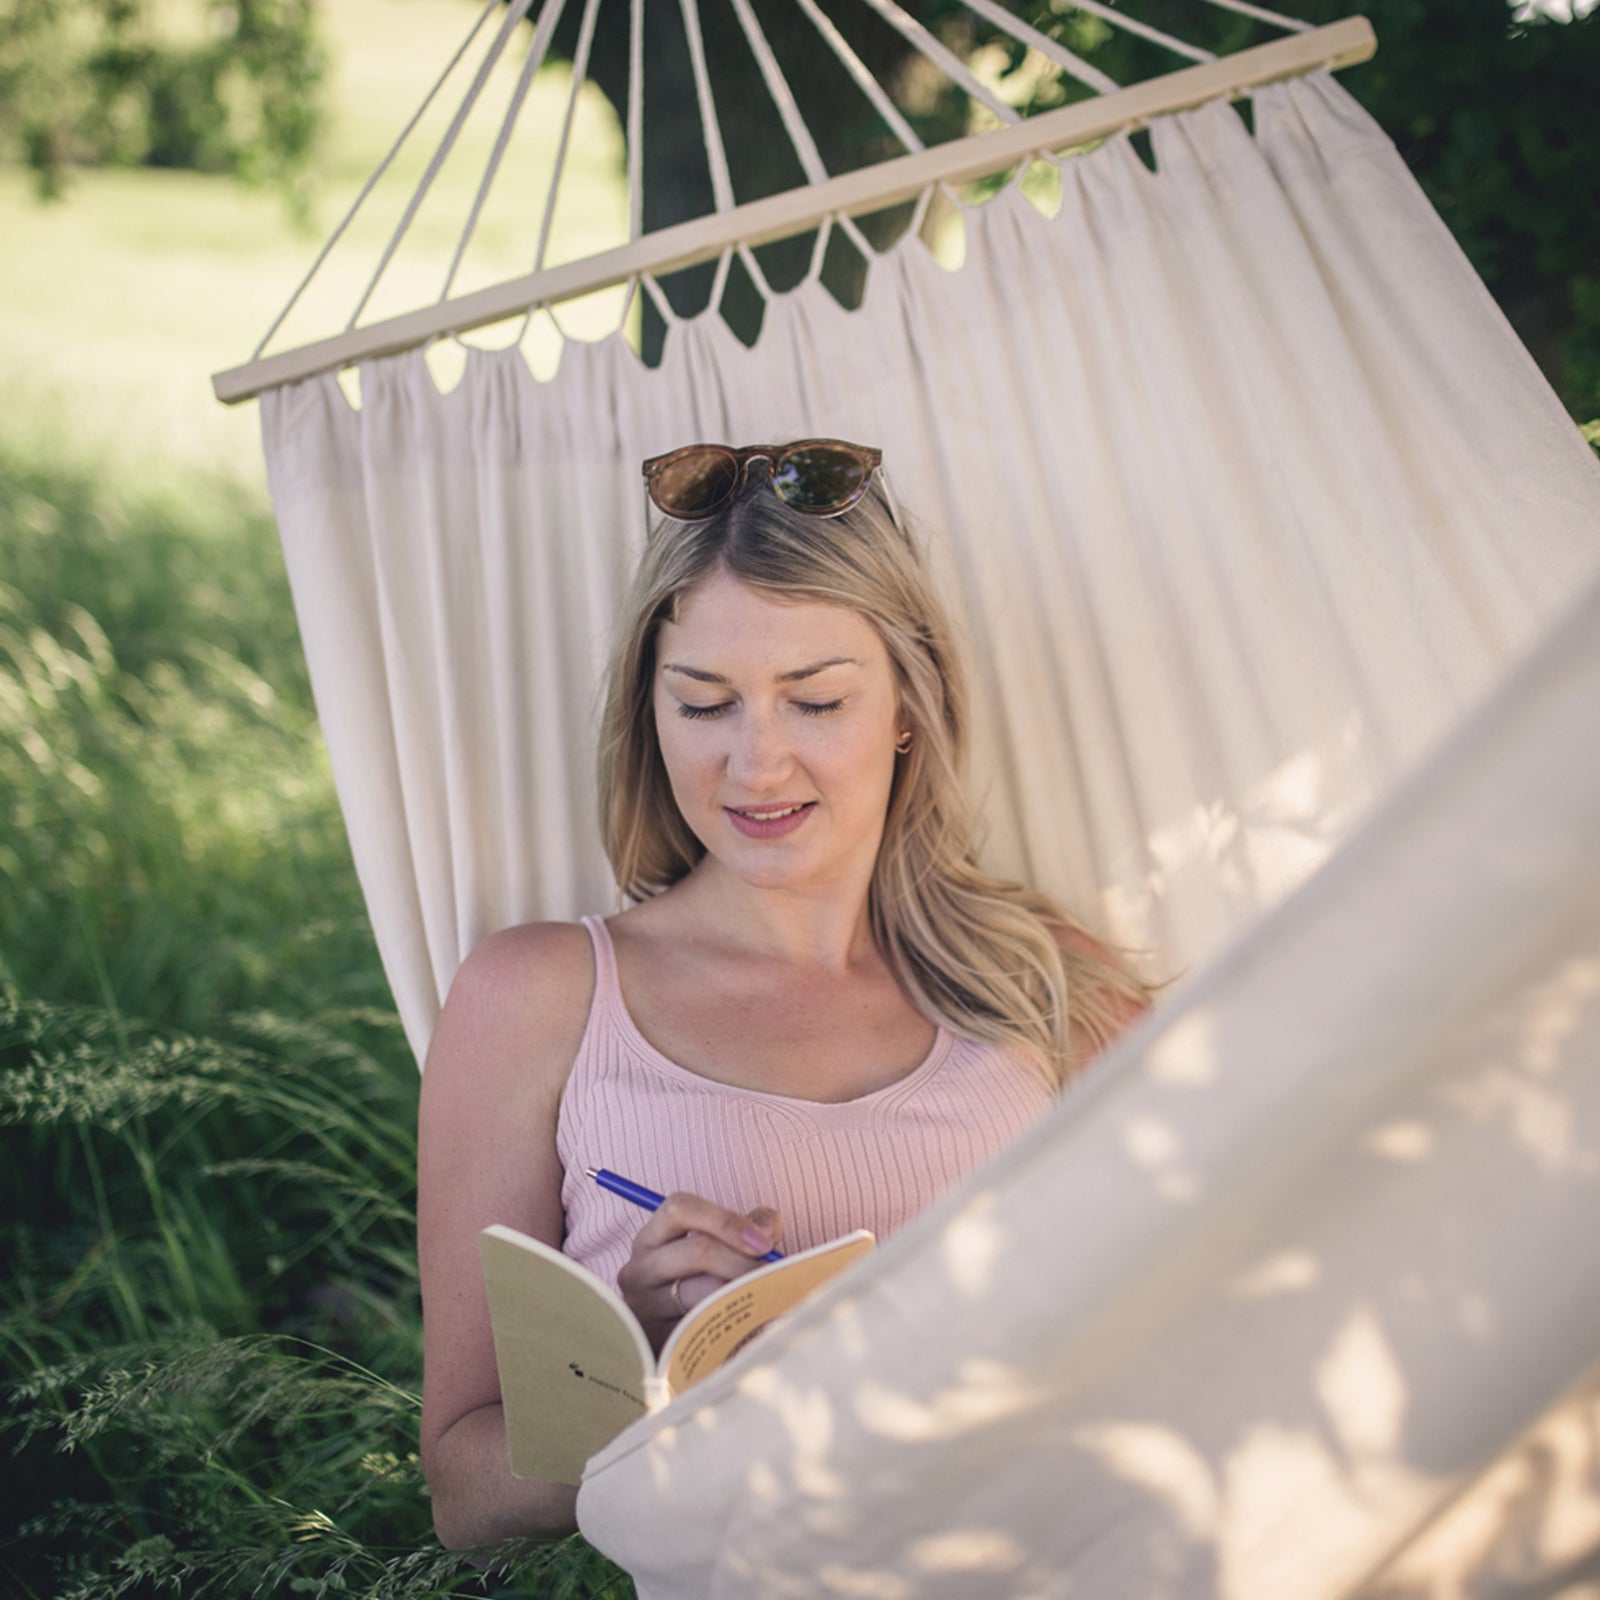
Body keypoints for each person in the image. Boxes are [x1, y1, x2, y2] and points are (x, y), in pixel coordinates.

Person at [416, 439, 1150, 1549]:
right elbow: (465, 1495)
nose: (756, 767)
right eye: (704, 705)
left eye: (813, 702)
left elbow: (1203, 1313)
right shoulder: (540, 994)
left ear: (910, 702)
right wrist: (659, 1384)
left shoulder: (1049, 979)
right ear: (647, 711)